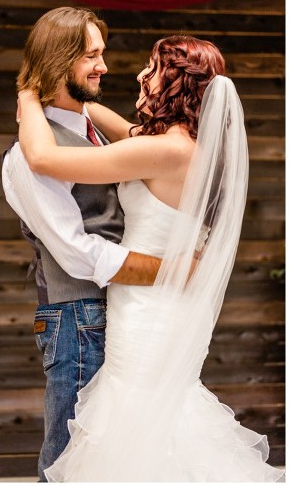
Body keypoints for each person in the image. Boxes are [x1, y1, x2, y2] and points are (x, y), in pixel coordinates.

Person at [16, 34, 284, 481]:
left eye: (152, 67)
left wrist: (27, 91)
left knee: (137, 415)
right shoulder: (183, 145)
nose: (141, 74)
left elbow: (43, 158)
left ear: (177, 83)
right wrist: (65, 86)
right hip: (163, 304)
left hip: (149, 310)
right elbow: (105, 119)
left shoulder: (165, 151)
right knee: (158, 412)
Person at [1, 6, 162, 482]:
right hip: (76, 318)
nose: (104, 66)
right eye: (91, 55)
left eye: (102, 53)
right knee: (70, 458)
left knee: (111, 450)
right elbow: (77, 252)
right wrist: (167, 270)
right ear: (59, 61)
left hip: (111, 309)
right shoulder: (30, 154)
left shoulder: (88, 121)